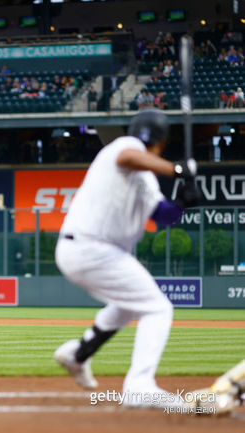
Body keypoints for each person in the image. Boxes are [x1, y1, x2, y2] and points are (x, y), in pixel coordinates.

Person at [53, 109, 200, 408]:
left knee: (127, 305)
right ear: (162, 142)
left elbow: (163, 215)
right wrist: (178, 171)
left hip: (93, 251)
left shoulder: (147, 178)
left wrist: (184, 201)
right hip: (90, 247)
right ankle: (140, 385)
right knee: (158, 308)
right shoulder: (122, 148)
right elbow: (129, 159)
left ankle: (78, 354)